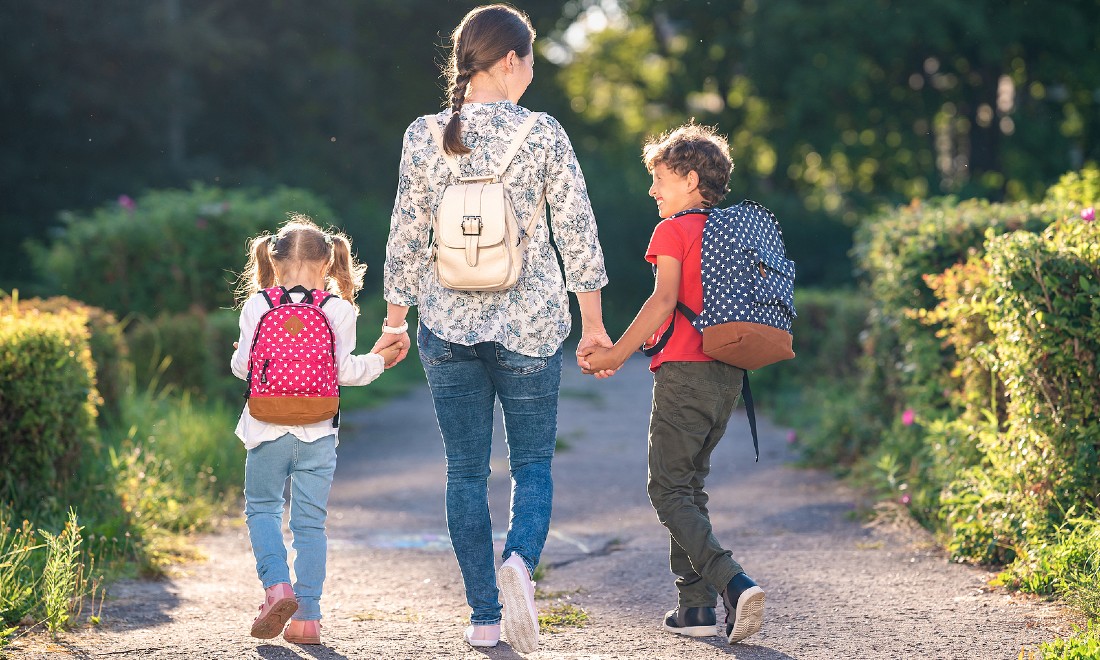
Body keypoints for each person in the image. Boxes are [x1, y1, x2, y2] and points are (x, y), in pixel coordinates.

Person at [373, 4, 611, 652]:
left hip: (446, 328)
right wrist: (592, 327)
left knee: (464, 473)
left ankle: (483, 616)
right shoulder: (542, 133)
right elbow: (578, 235)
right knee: (533, 464)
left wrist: (395, 321)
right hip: (530, 328)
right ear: (510, 61)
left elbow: (405, 236)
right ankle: (519, 564)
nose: (531, 73)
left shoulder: (424, 134)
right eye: (530, 61)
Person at [578, 123, 766, 645]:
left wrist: (614, 352)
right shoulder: (731, 229)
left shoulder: (675, 230)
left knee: (666, 487)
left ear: (688, 179)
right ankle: (695, 607)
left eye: (659, 178)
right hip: (729, 375)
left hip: (684, 375)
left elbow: (664, 301)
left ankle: (732, 581)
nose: (653, 190)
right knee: (688, 487)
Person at [230, 215, 403, 646]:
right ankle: (307, 618)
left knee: (263, 510)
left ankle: (276, 588)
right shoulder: (338, 309)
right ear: (328, 262)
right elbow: (346, 372)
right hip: (319, 431)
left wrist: (241, 355)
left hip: (265, 428)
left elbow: (241, 369)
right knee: (310, 526)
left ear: (273, 259)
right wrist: (381, 361)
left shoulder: (257, 305)